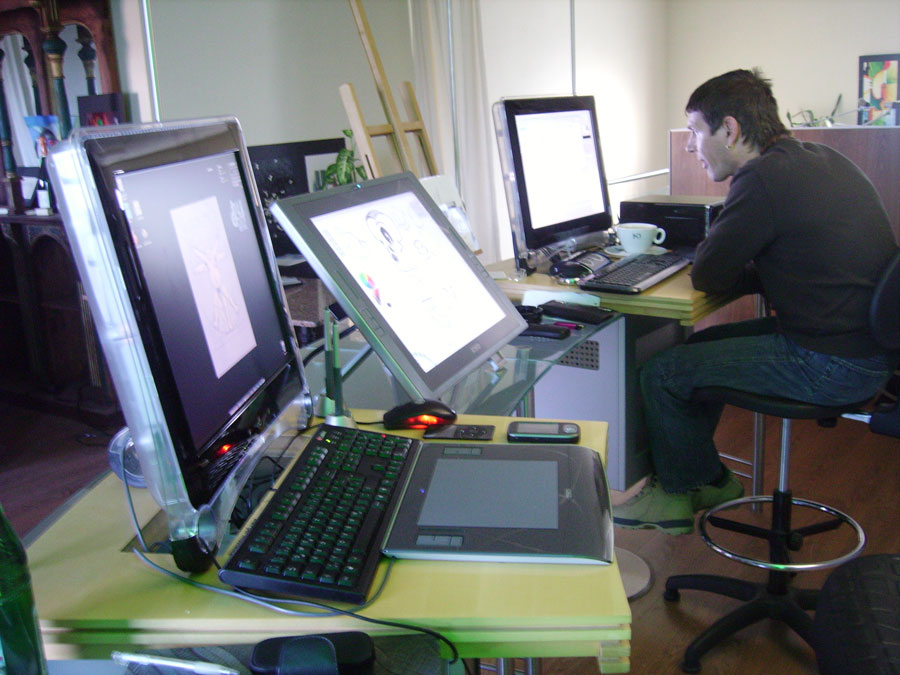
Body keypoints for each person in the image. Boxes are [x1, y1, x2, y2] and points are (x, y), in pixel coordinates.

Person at [613, 68, 898, 534]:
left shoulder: (763, 178)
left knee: (663, 373)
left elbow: (708, 274)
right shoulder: (818, 158)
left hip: (831, 362)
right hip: (864, 350)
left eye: (695, 131)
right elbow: (789, 262)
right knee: (694, 352)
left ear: (729, 129)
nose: (691, 146)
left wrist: (710, 260)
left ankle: (677, 494)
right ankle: (706, 480)